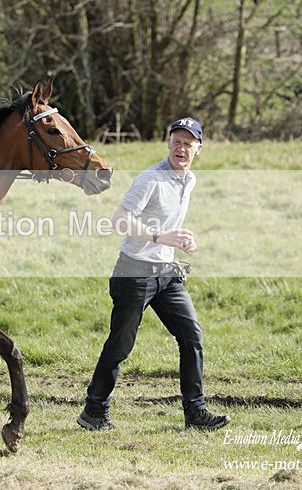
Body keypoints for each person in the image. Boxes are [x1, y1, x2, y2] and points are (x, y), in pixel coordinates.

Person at [77, 117, 230, 432]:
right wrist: (160, 238)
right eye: (176, 141)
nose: (181, 148)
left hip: (167, 274)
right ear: (168, 143)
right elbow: (119, 219)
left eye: (188, 143)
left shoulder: (190, 180)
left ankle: (195, 413)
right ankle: (94, 411)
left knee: (192, 337)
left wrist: (181, 241)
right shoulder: (151, 179)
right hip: (134, 273)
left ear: (199, 149)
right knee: (120, 346)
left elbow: (166, 223)